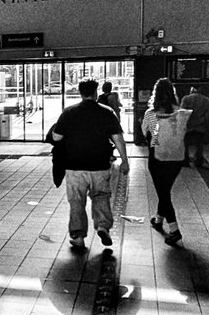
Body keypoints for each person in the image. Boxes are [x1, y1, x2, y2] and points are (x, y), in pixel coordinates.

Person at [50, 77, 130, 251]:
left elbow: (56, 138)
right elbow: (118, 138)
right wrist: (125, 160)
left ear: (80, 92)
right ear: (95, 93)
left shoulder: (69, 112)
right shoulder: (107, 111)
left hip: (75, 166)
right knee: (101, 196)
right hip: (100, 165)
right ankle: (102, 226)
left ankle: (78, 237)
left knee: (76, 202)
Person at [143, 78, 193, 247]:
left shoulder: (151, 113)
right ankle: (158, 220)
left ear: (155, 94)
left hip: (157, 157)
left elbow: (146, 134)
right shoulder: (180, 113)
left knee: (163, 193)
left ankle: (174, 230)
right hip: (177, 157)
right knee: (165, 189)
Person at [180, 85, 209, 167]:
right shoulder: (207, 100)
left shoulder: (186, 99)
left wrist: (188, 121)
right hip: (200, 126)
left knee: (185, 144)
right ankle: (198, 161)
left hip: (188, 126)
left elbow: (182, 112)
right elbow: (208, 113)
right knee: (199, 145)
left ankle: (185, 160)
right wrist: (201, 121)